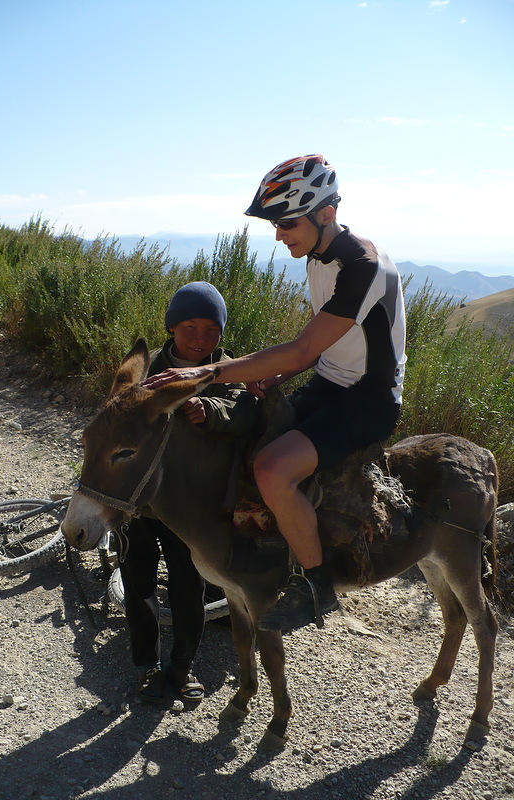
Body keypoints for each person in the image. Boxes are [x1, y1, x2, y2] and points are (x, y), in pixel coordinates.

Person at [143, 155, 407, 633]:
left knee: (271, 468)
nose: (279, 235)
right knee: (248, 432)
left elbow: (303, 347)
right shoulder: (318, 256)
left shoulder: (363, 267)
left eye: (287, 222)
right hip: (332, 382)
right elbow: (320, 347)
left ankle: (316, 584)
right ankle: (264, 549)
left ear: (325, 213)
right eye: (276, 225)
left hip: (368, 401)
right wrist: (275, 377)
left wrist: (208, 372)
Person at [121, 280, 255, 703]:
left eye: (211, 331)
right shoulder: (147, 371)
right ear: (171, 328)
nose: (201, 339)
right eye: (190, 328)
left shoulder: (228, 369)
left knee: (187, 587)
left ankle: (180, 670)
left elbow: (243, 407)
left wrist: (209, 410)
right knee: (137, 580)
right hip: (142, 504)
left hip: (191, 509)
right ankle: (146, 665)